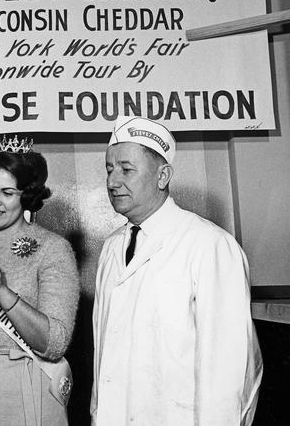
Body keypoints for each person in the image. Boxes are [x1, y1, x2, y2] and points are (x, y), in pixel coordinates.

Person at [91, 117, 262, 425]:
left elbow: (229, 374)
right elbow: (104, 357)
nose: (112, 181)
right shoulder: (111, 247)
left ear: (162, 175)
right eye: (109, 168)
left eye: (126, 169)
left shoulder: (210, 246)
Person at [0, 135, 80, 426]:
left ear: (27, 194)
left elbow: (55, 343)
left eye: (7, 192)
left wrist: (1, 292)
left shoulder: (52, 249)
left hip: (28, 386)